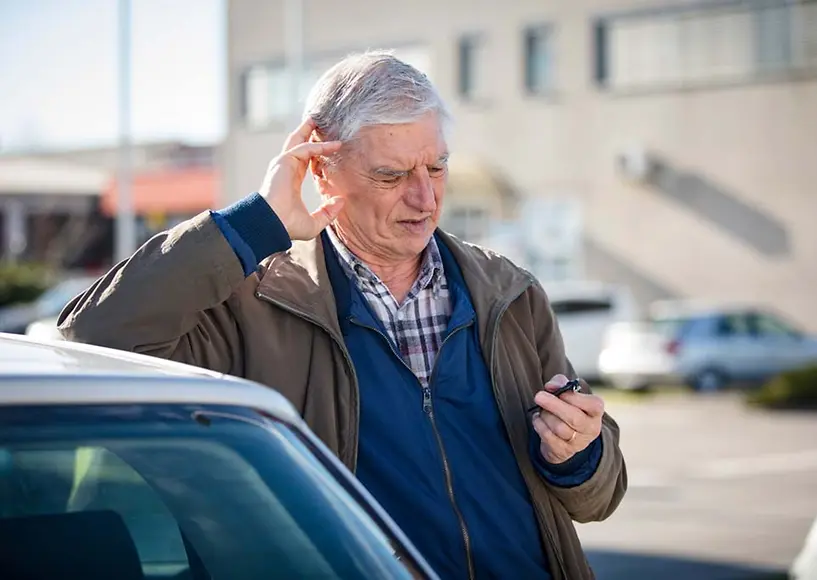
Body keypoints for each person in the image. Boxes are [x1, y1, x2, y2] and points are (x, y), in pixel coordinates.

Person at [59, 51, 626, 580]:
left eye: (437, 166)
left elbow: (598, 497)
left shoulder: (510, 293)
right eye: (392, 175)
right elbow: (92, 336)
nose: (425, 198)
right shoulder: (254, 304)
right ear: (322, 171)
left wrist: (578, 455)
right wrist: (256, 224)